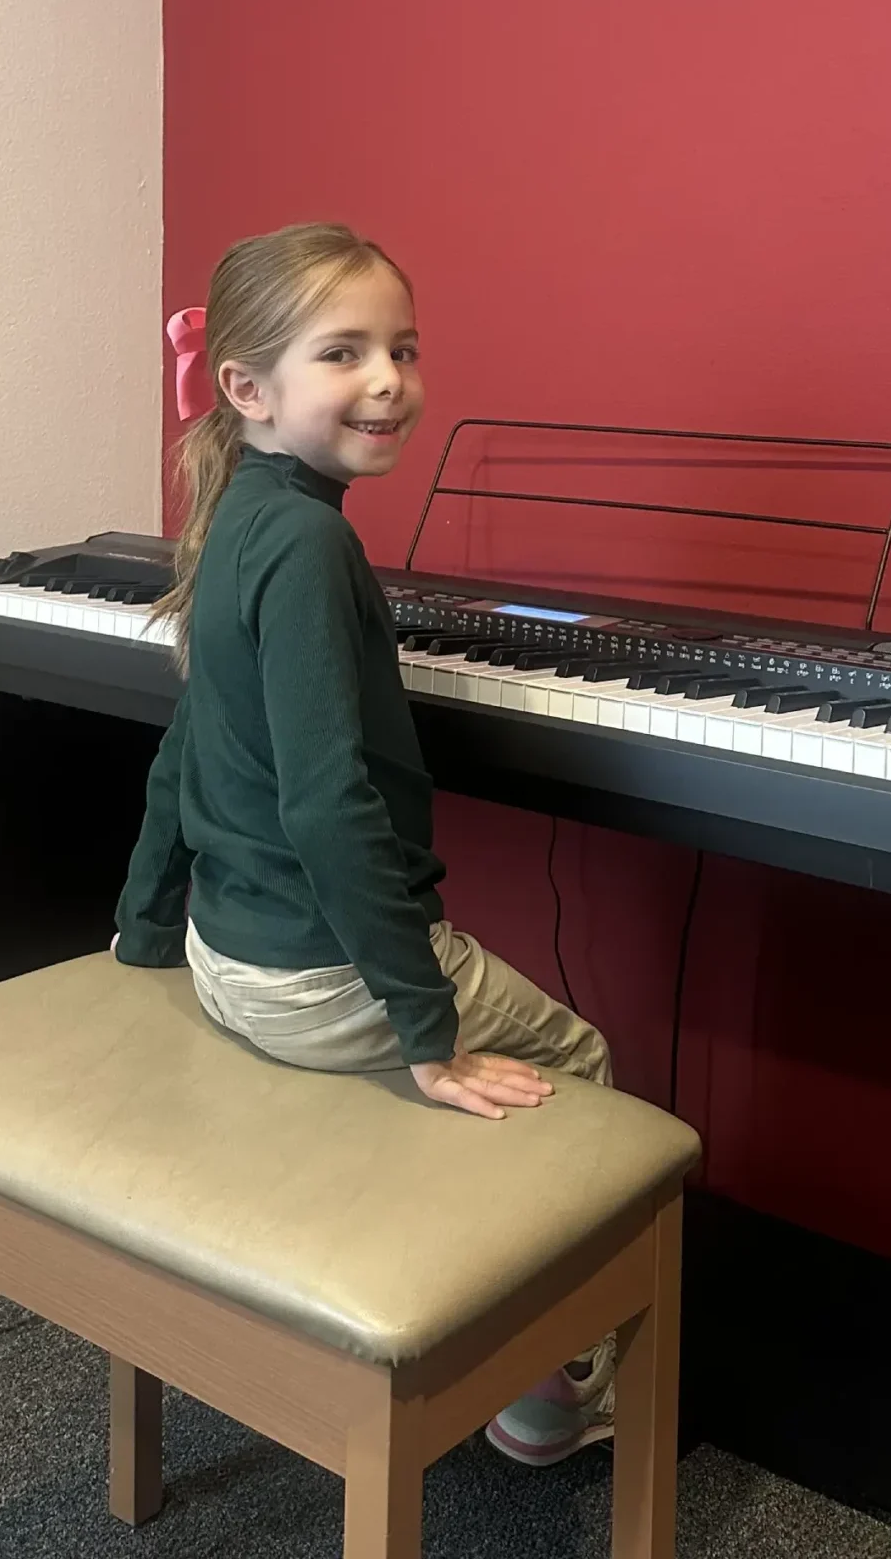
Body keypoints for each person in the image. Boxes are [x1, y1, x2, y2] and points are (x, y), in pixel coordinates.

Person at [112, 220, 617, 1465]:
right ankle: (544, 1396)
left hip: (229, 958)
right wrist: (425, 1034)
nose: (388, 379)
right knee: (585, 1062)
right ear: (249, 389)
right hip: (318, 980)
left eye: (403, 347)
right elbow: (328, 807)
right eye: (344, 352)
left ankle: (453, 1287)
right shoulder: (311, 542)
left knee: (493, 1065)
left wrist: (141, 923)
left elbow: (187, 749)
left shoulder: (241, 516)